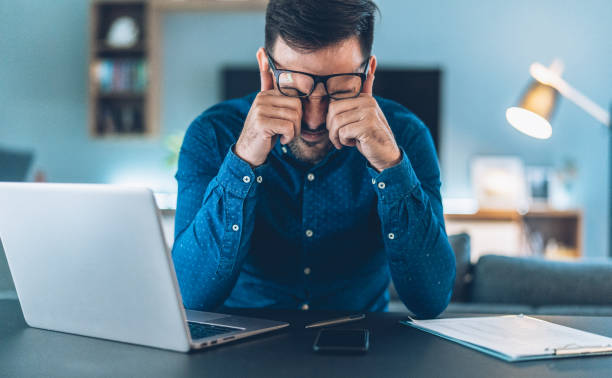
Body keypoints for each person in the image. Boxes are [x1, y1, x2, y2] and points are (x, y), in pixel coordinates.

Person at [172, 0, 455, 318]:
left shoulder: (408, 136)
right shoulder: (211, 134)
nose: (314, 119)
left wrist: (390, 165)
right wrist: (244, 159)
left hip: (364, 343)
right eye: (294, 88)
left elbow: (430, 300)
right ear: (266, 67)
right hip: (238, 344)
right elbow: (191, 295)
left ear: (368, 73)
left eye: (340, 90)